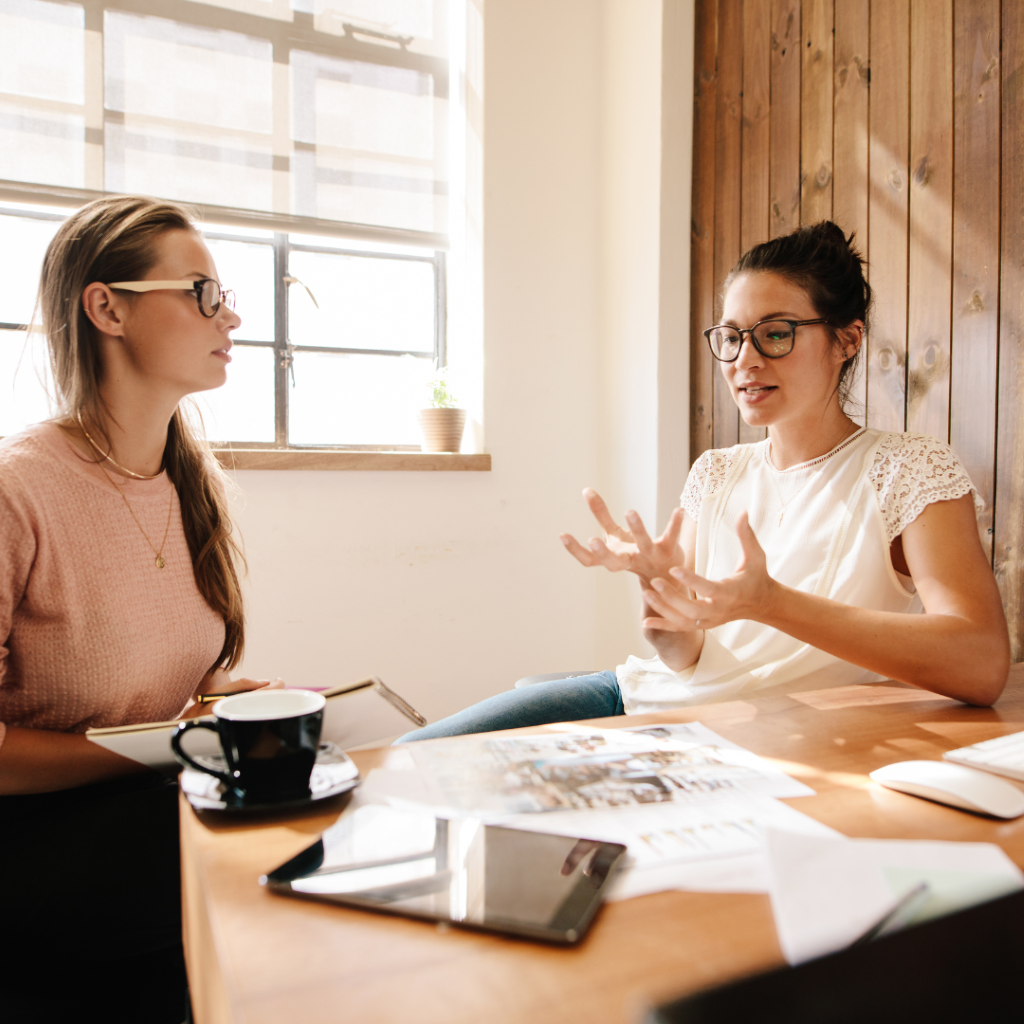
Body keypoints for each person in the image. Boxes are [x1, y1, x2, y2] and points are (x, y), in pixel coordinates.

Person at [399, 221, 1010, 743]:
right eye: (732, 337)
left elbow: (980, 664)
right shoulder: (717, 471)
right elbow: (686, 658)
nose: (745, 359)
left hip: (742, 734)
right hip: (638, 699)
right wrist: (663, 607)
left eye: (776, 333)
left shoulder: (907, 468)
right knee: (410, 757)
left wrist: (773, 604)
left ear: (847, 339)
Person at [0, 195, 278, 1022]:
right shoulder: (19, 490)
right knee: (247, 836)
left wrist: (233, 704)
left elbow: (171, 684)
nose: (228, 314)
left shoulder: (189, 482)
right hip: (35, 840)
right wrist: (156, 749)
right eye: (201, 291)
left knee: (309, 788)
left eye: (225, 294)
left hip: (146, 814)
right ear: (106, 307)